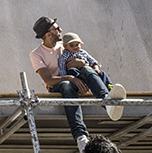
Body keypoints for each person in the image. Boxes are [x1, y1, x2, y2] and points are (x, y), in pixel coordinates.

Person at [30, 17, 126, 153]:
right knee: (66, 85)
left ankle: (107, 100)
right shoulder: (37, 54)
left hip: (78, 78)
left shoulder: (65, 45)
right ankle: (81, 137)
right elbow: (49, 80)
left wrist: (84, 64)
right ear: (48, 34)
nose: (60, 30)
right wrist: (70, 78)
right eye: (56, 28)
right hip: (58, 86)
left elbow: (85, 59)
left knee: (87, 69)